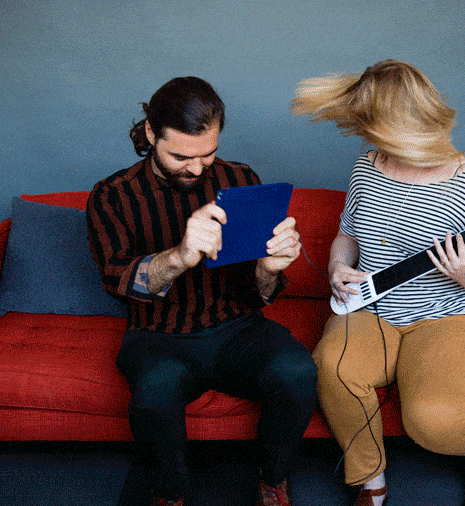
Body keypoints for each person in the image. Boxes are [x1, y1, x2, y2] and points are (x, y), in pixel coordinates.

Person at [291, 60, 465, 506]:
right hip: (371, 310)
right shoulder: (367, 167)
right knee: (332, 368)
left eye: (373, 126)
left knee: (430, 420)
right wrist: (339, 266)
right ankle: (370, 479)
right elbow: (347, 237)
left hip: (448, 316)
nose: (367, 138)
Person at [87, 76, 317, 506]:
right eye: (180, 156)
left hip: (237, 328)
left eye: (207, 154)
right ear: (152, 134)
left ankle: (273, 479)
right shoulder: (112, 196)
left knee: (299, 371)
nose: (196, 168)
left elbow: (262, 291)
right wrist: (178, 255)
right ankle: (170, 493)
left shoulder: (241, 179)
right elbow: (116, 282)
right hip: (158, 336)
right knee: (154, 394)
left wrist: (268, 268)